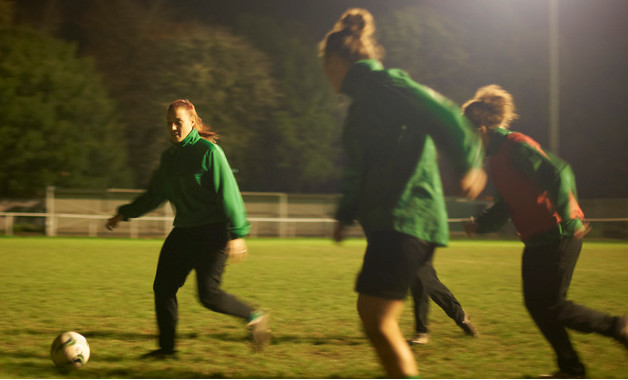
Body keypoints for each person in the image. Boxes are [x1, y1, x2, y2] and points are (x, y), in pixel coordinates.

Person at [320, 8, 486, 378]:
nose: (324, 73)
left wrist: (468, 162)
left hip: (409, 216)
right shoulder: (360, 107)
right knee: (372, 315)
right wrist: (345, 214)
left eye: (324, 64)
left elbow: (443, 113)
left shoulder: (385, 85)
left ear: (335, 60)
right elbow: (356, 170)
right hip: (388, 222)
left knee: (377, 318)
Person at [462, 85, 628, 378]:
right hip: (537, 238)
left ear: (481, 128)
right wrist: (481, 224)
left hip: (559, 233)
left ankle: (618, 328)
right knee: (538, 305)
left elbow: (559, 172)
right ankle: (571, 369)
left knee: (552, 305)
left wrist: (566, 215)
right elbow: (506, 204)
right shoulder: (497, 158)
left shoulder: (515, 144)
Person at [106, 99, 270, 359]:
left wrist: (238, 234)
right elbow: (154, 195)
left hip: (212, 233)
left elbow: (229, 193)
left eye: (178, 122)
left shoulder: (209, 152)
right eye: (169, 123)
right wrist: (124, 213)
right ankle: (166, 350)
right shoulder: (168, 158)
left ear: (192, 122)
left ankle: (254, 316)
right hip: (183, 232)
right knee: (163, 288)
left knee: (208, 296)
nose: (172, 128)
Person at [409, 259, 478, 345]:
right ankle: (460, 316)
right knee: (422, 283)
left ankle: (422, 332)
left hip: (416, 248)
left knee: (422, 282)